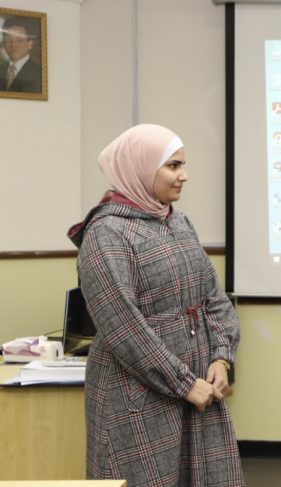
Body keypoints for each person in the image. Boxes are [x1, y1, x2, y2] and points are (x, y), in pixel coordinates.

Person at [67, 124, 244, 486]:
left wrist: (221, 358)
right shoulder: (106, 233)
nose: (184, 175)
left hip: (196, 390)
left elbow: (213, 297)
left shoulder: (179, 222)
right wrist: (183, 383)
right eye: (173, 166)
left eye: (183, 164)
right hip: (137, 398)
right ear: (140, 168)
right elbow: (124, 327)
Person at [0, 16, 42, 93]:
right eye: (8, 39)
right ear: (3, 43)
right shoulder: (1, 69)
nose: (13, 44)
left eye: (19, 39)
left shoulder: (39, 73)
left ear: (30, 44)